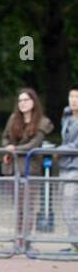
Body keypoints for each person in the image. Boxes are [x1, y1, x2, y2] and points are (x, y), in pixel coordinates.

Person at [1, 86, 54, 252]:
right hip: (13, 168)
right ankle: (18, 239)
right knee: (18, 206)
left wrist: (15, 150)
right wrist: (7, 147)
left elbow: (34, 144)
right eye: (20, 101)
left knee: (28, 206)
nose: (22, 104)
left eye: (26, 100)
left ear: (33, 102)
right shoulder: (13, 119)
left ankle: (26, 240)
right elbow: (4, 137)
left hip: (30, 168)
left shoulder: (42, 122)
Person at [59, 88, 78, 251]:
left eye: (77, 97)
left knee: (70, 207)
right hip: (65, 165)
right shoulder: (66, 117)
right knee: (67, 208)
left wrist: (59, 150)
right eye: (71, 96)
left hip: (75, 167)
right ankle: (74, 243)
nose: (73, 100)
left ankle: (76, 243)